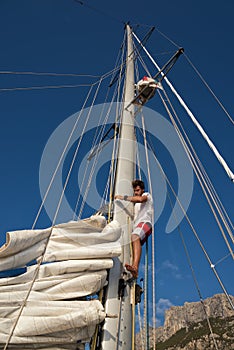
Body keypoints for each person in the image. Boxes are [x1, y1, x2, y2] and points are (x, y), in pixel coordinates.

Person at [114, 179, 153, 278]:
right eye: (135, 191)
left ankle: (135, 267)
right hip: (137, 226)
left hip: (145, 223)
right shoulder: (135, 206)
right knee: (134, 238)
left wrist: (122, 197)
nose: (136, 192)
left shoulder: (147, 195)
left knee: (135, 236)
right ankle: (132, 269)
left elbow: (140, 199)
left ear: (143, 190)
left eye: (138, 190)